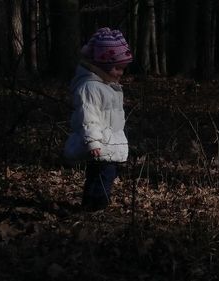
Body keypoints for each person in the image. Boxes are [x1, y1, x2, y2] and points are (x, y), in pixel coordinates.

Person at [64, 27, 133, 211]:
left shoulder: (106, 85)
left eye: (123, 69)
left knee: (100, 174)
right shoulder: (90, 87)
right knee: (102, 175)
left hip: (109, 142)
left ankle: (90, 205)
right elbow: (88, 115)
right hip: (101, 143)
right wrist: (94, 141)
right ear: (102, 64)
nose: (120, 73)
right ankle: (97, 207)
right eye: (117, 68)